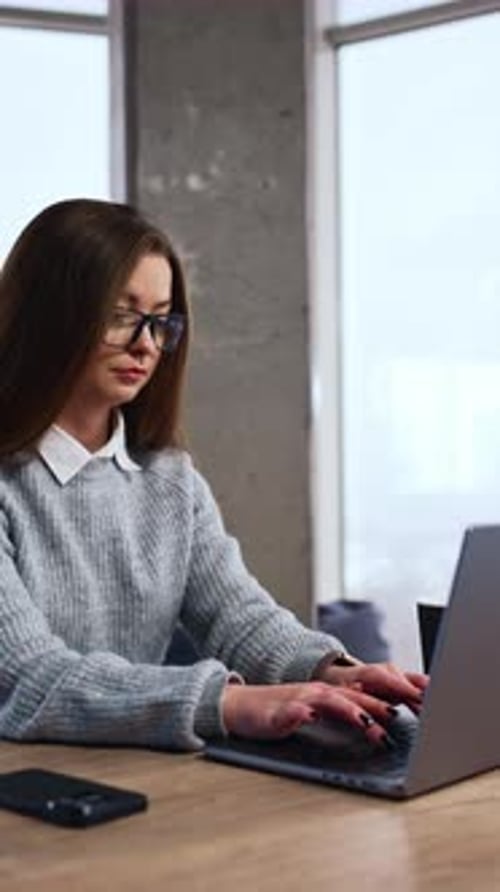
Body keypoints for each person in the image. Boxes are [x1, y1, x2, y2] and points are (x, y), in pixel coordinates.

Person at [0, 198, 427, 752]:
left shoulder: (168, 479)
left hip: (135, 776)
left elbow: (237, 616)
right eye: (121, 315)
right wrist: (228, 702)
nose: (146, 344)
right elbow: (28, 679)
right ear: (49, 315)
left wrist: (334, 671)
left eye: (160, 321)